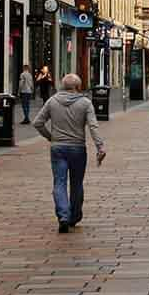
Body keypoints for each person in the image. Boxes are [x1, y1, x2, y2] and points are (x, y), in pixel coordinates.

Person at [33, 73, 105, 233]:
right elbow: (93, 126)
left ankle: (63, 216)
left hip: (58, 148)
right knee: (76, 183)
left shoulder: (52, 101)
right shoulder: (85, 103)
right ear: (78, 87)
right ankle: (74, 216)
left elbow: (37, 122)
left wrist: (50, 137)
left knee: (59, 182)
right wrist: (100, 147)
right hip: (78, 148)